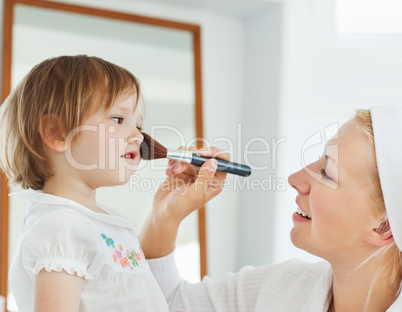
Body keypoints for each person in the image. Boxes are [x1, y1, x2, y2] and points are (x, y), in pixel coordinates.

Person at [139, 106, 402, 312]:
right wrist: (165, 215)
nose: (295, 179)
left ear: (384, 226)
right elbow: (164, 301)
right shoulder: (282, 286)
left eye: (327, 173)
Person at [0, 55, 207, 311]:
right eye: (118, 120)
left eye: (139, 124)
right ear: (57, 132)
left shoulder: (101, 223)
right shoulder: (61, 227)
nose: (138, 135)